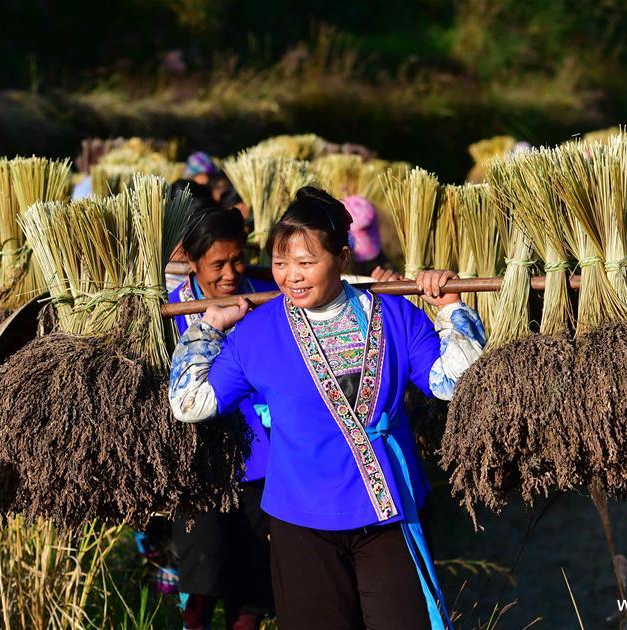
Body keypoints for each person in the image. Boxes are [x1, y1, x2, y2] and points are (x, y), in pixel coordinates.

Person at [169, 187, 486, 629]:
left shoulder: (394, 315)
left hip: (386, 514)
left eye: (306, 262)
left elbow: (454, 383)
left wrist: (451, 308)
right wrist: (208, 328)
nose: (290, 276)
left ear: (341, 257)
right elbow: (190, 402)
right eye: (281, 263)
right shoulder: (257, 331)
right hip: (299, 523)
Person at [167, 206, 277, 630]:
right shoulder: (170, 313)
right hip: (200, 466)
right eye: (217, 264)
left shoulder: (266, 296)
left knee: (252, 581)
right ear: (192, 263)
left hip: (265, 460)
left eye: (237, 260)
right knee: (203, 576)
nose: (230, 273)